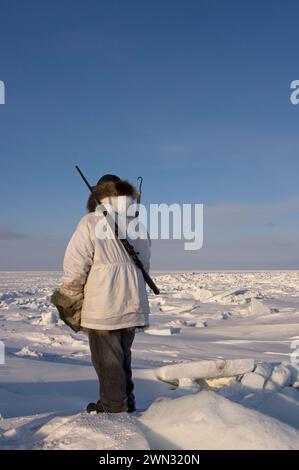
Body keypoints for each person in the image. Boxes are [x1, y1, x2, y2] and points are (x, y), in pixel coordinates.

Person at [60, 174, 151, 413]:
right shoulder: (137, 225)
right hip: (133, 302)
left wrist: (70, 296)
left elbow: (75, 264)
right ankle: (126, 401)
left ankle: (113, 410)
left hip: (105, 303)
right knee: (122, 358)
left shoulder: (90, 221)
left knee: (107, 362)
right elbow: (145, 266)